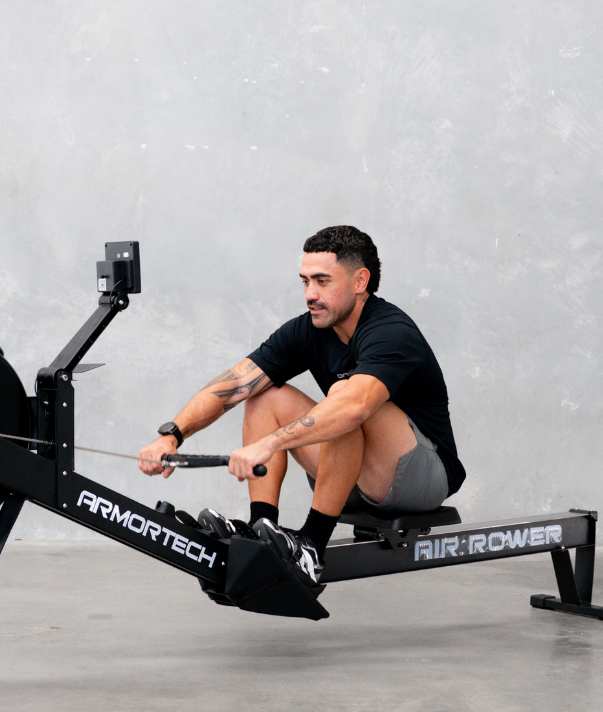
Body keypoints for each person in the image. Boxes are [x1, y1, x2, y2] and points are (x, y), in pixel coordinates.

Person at [137, 225, 464, 587]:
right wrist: (172, 435)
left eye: (322, 281)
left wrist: (269, 444)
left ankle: (312, 547)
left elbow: (353, 407)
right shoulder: (309, 330)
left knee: (344, 401)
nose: (310, 294)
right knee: (264, 395)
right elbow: (233, 385)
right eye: (306, 282)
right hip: (353, 473)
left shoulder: (391, 330)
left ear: (360, 281)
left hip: (421, 475)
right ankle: (262, 529)